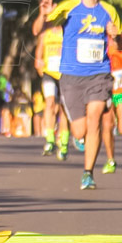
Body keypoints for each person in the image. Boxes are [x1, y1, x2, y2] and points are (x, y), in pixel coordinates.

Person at [31, 0, 122, 190]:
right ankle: (79, 140)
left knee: (95, 118)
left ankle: (88, 173)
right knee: (79, 131)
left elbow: (120, 44)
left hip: (98, 75)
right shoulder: (68, 7)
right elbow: (38, 30)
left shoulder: (109, 11)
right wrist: (43, 15)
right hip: (71, 77)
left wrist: (116, 36)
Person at [34, 26, 70, 160]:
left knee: (63, 108)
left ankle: (64, 142)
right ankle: (50, 140)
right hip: (49, 73)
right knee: (49, 103)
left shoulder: (67, 31)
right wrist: (39, 65)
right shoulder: (45, 33)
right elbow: (38, 55)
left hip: (65, 74)